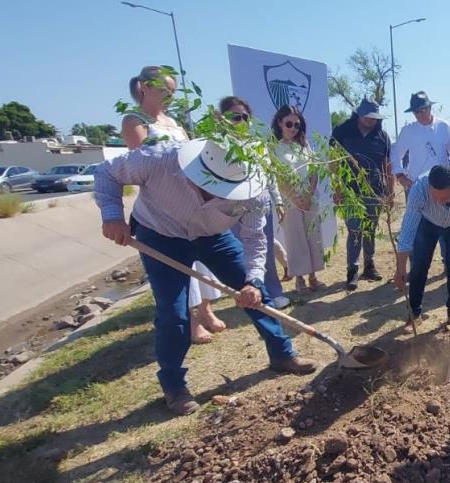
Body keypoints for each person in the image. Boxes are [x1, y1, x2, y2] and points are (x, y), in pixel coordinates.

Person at [94, 139, 317, 415]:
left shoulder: (254, 190)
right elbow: (106, 172)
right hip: (160, 234)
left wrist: (253, 281)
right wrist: (113, 216)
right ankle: (174, 386)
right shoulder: (160, 159)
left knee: (258, 295)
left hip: (214, 237)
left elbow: (255, 240)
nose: (215, 196)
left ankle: (283, 355)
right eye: (211, 188)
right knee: (174, 313)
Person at [120, 66, 226, 344]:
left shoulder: (173, 122)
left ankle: (206, 310)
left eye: (173, 92)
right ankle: (192, 323)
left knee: (202, 264)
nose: (170, 96)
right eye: (164, 91)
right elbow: (144, 162)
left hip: (190, 203)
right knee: (181, 269)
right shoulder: (135, 121)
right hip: (162, 207)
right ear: (145, 87)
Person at [393, 165, 450, 332]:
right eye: (435, 197)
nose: (439, 202)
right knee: (419, 266)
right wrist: (400, 268)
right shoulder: (419, 189)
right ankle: (414, 314)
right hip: (427, 224)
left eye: (444, 199)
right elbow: (408, 230)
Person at [220, 96, 290, 309]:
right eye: (235, 116)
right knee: (239, 252)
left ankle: (273, 292)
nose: (240, 120)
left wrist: (277, 201)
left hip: (260, 206)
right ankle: (248, 294)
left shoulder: (257, 145)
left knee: (264, 249)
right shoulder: (216, 145)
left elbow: (268, 176)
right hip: (230, 209)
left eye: (245, 117)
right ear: (222, 118)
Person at [331, 97, 394, 291]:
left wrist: (389, 192)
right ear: (358, 114)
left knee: (370, 230)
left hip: (374, 191)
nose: (370, 120)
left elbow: (387, 166)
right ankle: (352, 270)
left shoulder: (382, 136)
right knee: (354, 230)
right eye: (366, 116)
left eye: (373, 117)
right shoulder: (342, 132)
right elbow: (332, 163)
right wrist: (337, 189)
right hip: (350, 192)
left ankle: (369, 265)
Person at [272, 105, 327, 292]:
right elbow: (278, 178)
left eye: (297, 124)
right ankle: (300, 278)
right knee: (295, 238)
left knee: (313, 235)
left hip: (310, 198)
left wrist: (309, 194)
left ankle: (313, 276)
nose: (293, 128)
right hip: (290, 201)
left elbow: (313, 171)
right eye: (289, 123)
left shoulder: (304, 144)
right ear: (280, 123)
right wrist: (294, 198)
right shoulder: (274, 148)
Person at [389, 91, 450, 191]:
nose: (419, 114)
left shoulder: (444, 126)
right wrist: (400, 176)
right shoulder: (408, 131)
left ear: (430, 108)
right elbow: (395, 153)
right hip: (416, 186)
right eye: (416, 112)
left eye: (422, 110)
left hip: (442, 186)